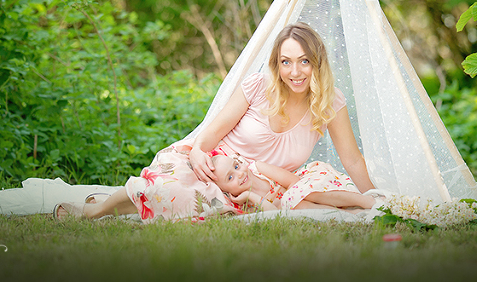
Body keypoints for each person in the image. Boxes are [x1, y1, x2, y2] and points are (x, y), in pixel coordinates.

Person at [54, 22, 375, 222]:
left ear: (317, 63)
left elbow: (352, 160)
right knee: (173, 188)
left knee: (202, 206)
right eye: (286, 62)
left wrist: (377, 199)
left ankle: (118, 203)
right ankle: (95, 210)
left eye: (304, 61)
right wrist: (197, 154)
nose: (295, 72)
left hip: (258, 185)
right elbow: (212, 133)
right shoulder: (259, 87)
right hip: (217, 164)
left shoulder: (329, 102)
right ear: (276, 65)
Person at [210, 154, 377, 213]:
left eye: (236, 166)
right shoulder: (244, 203)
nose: (239, 174)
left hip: (308, 184)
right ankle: (349, 215)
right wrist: (250, 196)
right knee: (291, 205)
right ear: (224, 191)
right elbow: (275, 214)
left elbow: (292, 181)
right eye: (230, 178)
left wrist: (291, 197)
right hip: (297, 204)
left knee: (293, 198)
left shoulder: (257, 168)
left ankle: (366, 201)